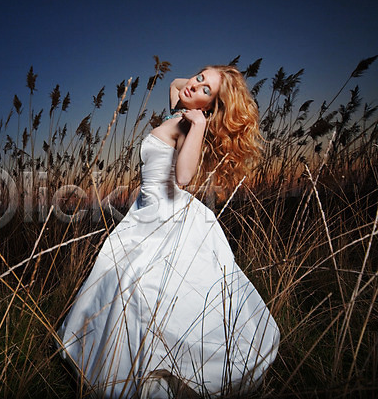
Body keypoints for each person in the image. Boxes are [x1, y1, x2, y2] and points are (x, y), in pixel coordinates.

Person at [57, 65, 280, 398]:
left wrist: (199, 123)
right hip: (144, 212)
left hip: (167, 215)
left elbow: (184, 178)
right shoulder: (178, 111)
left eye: (206, 90)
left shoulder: (190, 127)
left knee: (140, 287)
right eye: (199, 77)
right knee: (121, 279)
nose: (195, 85)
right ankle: (116, 363)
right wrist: (199, 90)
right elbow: (176, 83)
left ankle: (144, 369)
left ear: (211, 106)